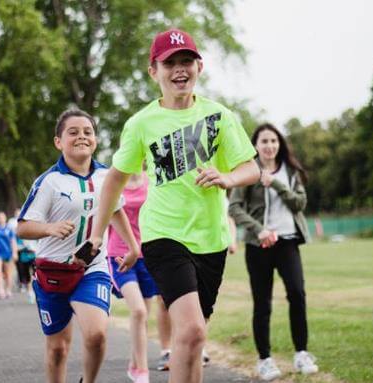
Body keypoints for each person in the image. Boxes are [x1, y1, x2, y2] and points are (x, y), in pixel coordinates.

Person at [87, 28, 260, 383]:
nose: (180, 69)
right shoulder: (141, 124)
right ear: (154, 71)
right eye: (170, 63)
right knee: (193, 331)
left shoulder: (220, 116)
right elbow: (113, 182)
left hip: (210, 239)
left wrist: (228, 178)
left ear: (199, 66)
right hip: (164, 235)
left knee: (194, 339)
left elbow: (251, 167)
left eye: (187, 61)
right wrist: (95, 236)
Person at [17, 108, 139, 383]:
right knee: (58, 349)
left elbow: (115, 210)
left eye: (88, 132)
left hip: (91, 269)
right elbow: (22, 227)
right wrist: (50, 228)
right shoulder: (48, 182)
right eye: (73, 132)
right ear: (58, 142)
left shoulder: (108, 176)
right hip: (53, 273)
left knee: (96, 334)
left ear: (95, 140)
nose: (81, 137)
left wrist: (132, 247)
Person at [228, 123, 318, 381]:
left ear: (280, 144)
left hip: (287, 242)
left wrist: (276, 184)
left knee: (298, 295)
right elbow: (234, 208)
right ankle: (265, 360)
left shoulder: (291, 171)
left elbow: (300, 203)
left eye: (273, 141)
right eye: (264, 141)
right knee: (262, 303)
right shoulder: (248, 171)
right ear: (255, 145)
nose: (269, 146)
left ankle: (301, 353)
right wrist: (259, 230)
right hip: (259, 246)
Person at [105, 170, 159, 382]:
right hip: (120, 255)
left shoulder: (151, 180)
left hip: (149, 256)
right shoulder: (116, 181)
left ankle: (134, 363)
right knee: (138, 310)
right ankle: (142, 372)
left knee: (143, 315)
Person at [0, 211, 18, 299]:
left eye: (3, 217)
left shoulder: (9, 229)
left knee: (8, 274)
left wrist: (15, 253)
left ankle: (8, 290)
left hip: (8, 253)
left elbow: (13, 242)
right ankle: (1, 290)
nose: (1, 218)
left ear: (5, 218)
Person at [16, 236, 37, 303]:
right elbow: (16, 246)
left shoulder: (35, 234)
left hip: (34, 257)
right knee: (27, 277)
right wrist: (24, 247)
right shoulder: (20, 235)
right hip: (24, 258)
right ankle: (30, 293)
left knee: (34, 276)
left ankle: (33, 293)